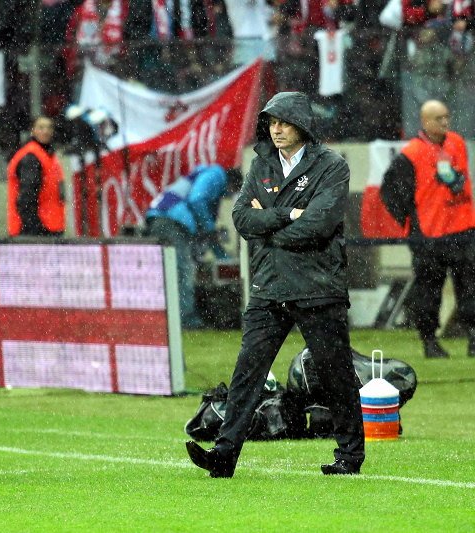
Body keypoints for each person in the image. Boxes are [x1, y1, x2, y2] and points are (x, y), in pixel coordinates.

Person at [185, 91, 365, 477]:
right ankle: (223, 456)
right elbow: (241, 219)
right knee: (247, 374)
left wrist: (268, 224)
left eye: (283, 122)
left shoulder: (332, 166)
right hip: (269, 286)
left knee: (336, 374)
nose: (276, 129)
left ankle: (350, 457)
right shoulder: (261, 163)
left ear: (302, 125)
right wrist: (288, 215)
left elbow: (319, 225)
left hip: (318, 287)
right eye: (271, 122)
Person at [380, 99, 475, 359]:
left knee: (470, 286)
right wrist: (410, 220)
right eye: (438, 118)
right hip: (429, 235)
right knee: (428, 290)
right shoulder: (411, 154)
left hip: (463, 228)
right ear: (424, 122)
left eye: (447, 116)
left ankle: (473, 335)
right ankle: (429, 340)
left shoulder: (457, 142)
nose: (445, 122)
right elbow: (389, 191)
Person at [145, 164, 242, 329]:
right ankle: (187, 320)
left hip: (160, 218)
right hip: (171, 220)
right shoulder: (216, 174)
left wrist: (223, 257)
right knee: (184, 270)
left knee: (170, 271)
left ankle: (167, 318)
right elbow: (197, 200)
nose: (228, 196)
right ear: (232, 183)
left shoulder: (204, 174)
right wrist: (210, 230)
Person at [6, 116, 66, 236]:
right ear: (32, 130)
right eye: (41, 127)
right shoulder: (31, 157)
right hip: (36, 229)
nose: (46, 131)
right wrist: (34, 229)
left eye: (49, 127)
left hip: (50, 225)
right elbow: (26, 198)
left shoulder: (47, 154)